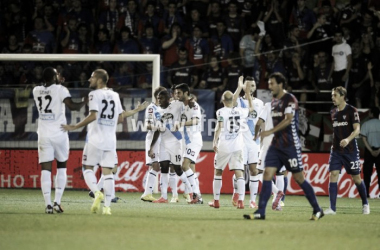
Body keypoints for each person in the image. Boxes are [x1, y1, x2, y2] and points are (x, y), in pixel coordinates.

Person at [61, 69, 147, 215]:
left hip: (95, 139)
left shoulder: (94, 94)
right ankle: (107, 208)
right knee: (108, 173)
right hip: (110, 141)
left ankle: (96, 192)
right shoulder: (115, 94)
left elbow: (93, 115)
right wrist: (135, 111)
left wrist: (75, 126)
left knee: (87, 167)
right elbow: (120, 118)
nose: (89, 79)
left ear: (100, 80)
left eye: (92, 77)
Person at [244, 72, 324, 220]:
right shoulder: (273, 102)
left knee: (299, 178)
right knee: (267, 174)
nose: (269, 86)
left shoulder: (290, 99)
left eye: (272, 83)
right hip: (275, 146)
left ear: (280, 84)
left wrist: (268, 131)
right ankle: (261, 211)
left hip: (289, 145)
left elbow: (288, 120)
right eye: (268, 83)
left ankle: (317, 209)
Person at [32, 67, 87, 213]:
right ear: (55, 77)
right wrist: (85, 101)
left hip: (43, 134)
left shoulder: (36, 90)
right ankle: (57, 202)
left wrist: (57, 83)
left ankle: (48, 205)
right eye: (57, 74)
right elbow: (73, 107)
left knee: (46, 169)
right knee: (61, 166)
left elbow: (49, 90)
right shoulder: (61, 89)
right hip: (60, 133)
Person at [324, 86, 370, 215]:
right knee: (333, 175)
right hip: (336, 151)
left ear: (343, 96)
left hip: (350, 150)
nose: (333, 98)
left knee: (356, 178)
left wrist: (347, 140)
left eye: (335, 95)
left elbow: (357, 130)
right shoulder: (333, 112)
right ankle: (332, 208)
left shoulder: (352, 111)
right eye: (332, 95)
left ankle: (365, 204)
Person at [209, 80, 253, 209]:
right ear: (232, 100)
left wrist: (214, 141)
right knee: (239, 172)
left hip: (224, 146)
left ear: (223, 100)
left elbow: (219, 127)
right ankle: (240, 201)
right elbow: (251, 109)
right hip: (238, 146)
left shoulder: (220, 112)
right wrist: (248, 96)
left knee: (218, 171)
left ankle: (216, 201)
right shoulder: (240, 111)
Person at [148, 90, 192, 203]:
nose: (159, 100)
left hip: (176, 142)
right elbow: (157, 130)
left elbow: (188, 100)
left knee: (177, 169)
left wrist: (188, 100)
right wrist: (152, 147)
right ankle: (164, 197)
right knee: (164, 168)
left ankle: (192, 192)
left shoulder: (176, 105)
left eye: (161, 98)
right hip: (163, 143)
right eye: (157, 98)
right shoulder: (157, 111)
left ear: (168, 99)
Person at [231, 76, 264, 209]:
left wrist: (263, 137)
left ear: (255, 88)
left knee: (254, 171)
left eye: (252, 85)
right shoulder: (238, 100)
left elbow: (259, 119)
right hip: (240, 141)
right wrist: (239, 88)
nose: (250, 87)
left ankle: (252, 200)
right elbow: (232, 103)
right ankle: (237, 195)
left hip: (254, 142)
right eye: (248, 85)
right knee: (240, 170)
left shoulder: (259, 103)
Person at [174, 83, 203, 204]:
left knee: (184, 166)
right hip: (186, 141)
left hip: (194, 140)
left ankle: (195, 194)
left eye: (179, 93)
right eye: (176, 93)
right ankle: (198, 197)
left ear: (186, 93)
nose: (177, 95)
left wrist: (182, 124)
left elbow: (196, 120)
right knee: (190, 168)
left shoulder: (193, 105)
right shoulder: (182, 105)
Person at [255, 101, 286, 211]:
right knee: (280, 173)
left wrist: (255, 135)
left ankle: (277, 192)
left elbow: (259, 122)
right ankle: (277, 204)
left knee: (258, 173)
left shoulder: (268, 105)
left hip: (268, 144)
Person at [141, 86, 167, 202]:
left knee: (157, 166)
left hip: (161, 140)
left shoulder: (162, 108)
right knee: (155, 166)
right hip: (153, 139)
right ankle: (147, 193)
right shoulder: (151, 108)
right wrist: (158, 127)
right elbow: (147, 125)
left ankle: (147, 193)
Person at [360, 106, 380, 198]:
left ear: (372, 114)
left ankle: (366, 194)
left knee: (367, 173)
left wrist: (371, 150)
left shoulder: (366, 124)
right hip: (379, 151)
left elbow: (364, 139)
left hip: (369, 151)